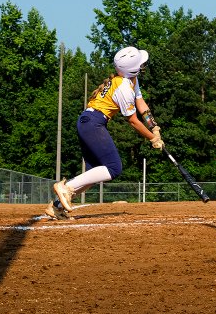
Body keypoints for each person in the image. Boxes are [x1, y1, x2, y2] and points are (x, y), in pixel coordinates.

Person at [46, 46, 164, 220]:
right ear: (132, 68)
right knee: (114, 168)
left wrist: (154, 127)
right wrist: (152, 138)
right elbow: (132, 120)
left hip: (88, 122)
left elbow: (141, 103)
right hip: (93, 123)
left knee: (94, 172)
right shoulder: (123, 86)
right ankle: (66, 188)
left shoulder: (130, 79)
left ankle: (56, 207)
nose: (143, 66)